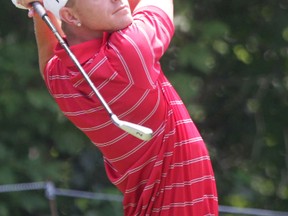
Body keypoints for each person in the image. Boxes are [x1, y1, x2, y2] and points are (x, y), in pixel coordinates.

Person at [13, 0, 218, 215]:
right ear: (71, 17)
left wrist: (39, 8)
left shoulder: (61, 77)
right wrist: (38, 8)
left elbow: (48, 56)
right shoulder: (128, 50)